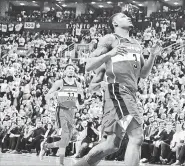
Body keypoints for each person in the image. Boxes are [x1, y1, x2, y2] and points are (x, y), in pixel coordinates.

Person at [74, 12, 162, 166]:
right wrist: (110, 54)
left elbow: (143, 73)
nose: (128, 17)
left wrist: (153, 56)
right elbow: (89, 65)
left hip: (128, 93)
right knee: (137, 136)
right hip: (118, 91)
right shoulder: (111, 39)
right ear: (114, 23)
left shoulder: (136, 44)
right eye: (123, 17)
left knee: (111, 145)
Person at [39, 64, 84, 166]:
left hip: (72, 112)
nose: (71, 70)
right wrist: (54, 95)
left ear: (74, 72)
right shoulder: (59, 82)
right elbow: (47, 96)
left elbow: (80, 101)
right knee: (64, 136)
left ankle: (46, 146)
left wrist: (83, 103)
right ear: (65, 71)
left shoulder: (78, 84)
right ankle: (61, 163)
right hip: (61, 111)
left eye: (72, 69)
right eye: (69, 69)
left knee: (67, 141)